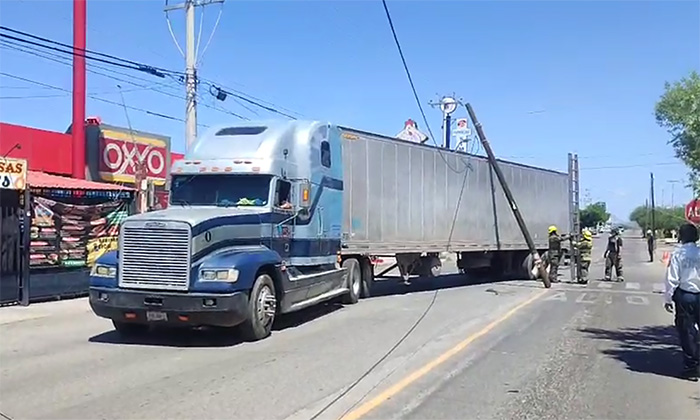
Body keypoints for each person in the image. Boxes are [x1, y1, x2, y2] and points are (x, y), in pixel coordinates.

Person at [664, 223, 700, 381]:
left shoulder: (678, 254)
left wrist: (668, 298)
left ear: (681, 236)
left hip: (685, 296)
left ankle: (691, 366)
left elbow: (672, 278)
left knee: (686, 332)